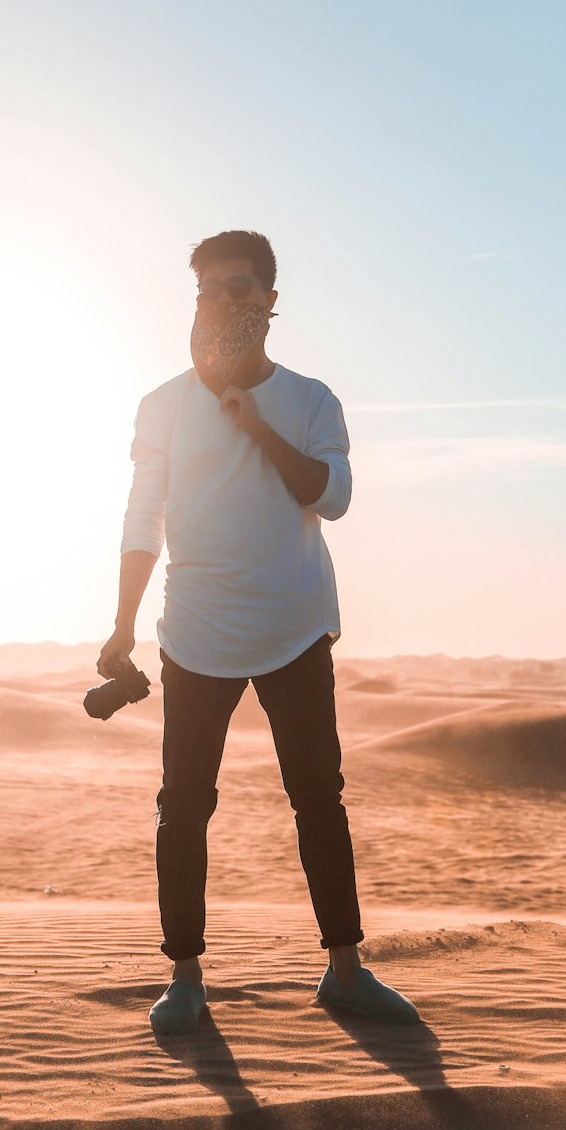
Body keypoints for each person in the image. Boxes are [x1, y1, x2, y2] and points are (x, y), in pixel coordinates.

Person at [97, 229, 419, 1035]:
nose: (226, 301)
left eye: (243, 288)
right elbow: (144, 517)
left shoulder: (312, 401)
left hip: (294, 629)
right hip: (195, 636)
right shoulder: (163, 405)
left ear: (270, 301)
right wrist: (120, 627)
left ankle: (345, 971)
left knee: (319, 800)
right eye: (211, 289)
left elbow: (332, 497)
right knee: (183, 806)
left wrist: (255, 425)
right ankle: (184, 979)